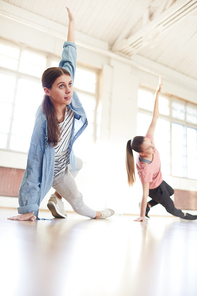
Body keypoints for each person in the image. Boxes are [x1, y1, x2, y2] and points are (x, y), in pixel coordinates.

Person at [8, 8, 114, 221]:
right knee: (79, 203)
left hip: (67, 159)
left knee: (80, 162)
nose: (68, 90)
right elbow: (33, 164)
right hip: (56, 171)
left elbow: (69, 59)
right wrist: (28, 209)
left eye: (70, 85)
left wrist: (72, 24)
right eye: (61, 86)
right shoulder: (43, 120)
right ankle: (100, 213)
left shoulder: (69, 98)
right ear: (47, 91)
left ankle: (56, 198)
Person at [126, 77, 197, 222]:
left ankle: (148, 206)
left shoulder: (149, 141)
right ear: (141, 153)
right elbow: (145, 193)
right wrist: (141, 216)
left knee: (170, 191)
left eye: (151, 142)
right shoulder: (144, 170)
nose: (153, 146)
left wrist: (157, 93)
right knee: (172, 208)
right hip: (154, 189)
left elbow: (155, 117)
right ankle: (187, 216)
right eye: (149, 147)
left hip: (160, 181)